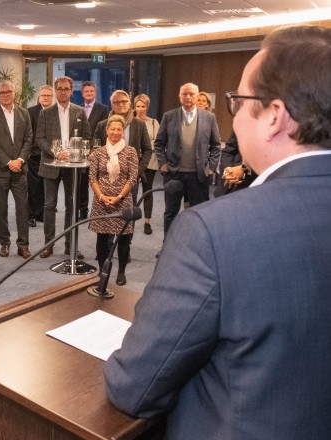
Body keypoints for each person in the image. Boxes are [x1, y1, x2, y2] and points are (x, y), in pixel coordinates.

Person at [105, 25, 331, 439]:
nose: (234, 113)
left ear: (274, 117)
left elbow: (134, 387)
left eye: (238, 101)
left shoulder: (214, 231)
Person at [154, 82, 221, 246]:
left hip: (199, 176)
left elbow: (216, 145)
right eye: (184, 94)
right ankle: (168, 246)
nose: (188, 97)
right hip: (174, 174)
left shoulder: (209, 117)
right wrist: (163, 164)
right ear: (179, 96)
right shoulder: (169, 116)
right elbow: (159, 143)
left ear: (198, 96)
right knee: (170, 213)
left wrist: (211, 168)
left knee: (198, 213)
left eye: (191, 94)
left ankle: (195, 246)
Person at [36, 76, 91, 258]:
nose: (63, 92)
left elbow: (87, 137)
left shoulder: (79, 112)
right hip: (51, 163)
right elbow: (40, 139)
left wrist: (75, 153)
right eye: (59, 89)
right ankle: (49, 245)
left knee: (71, 205)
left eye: (66, 89)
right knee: (49, 205)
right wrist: (55, 152)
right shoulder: (45, 113)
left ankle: (71, 245)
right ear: (55, 90)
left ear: (71, 91)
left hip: (73, 167)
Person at [0, 80, 32, 259]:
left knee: (22, 209)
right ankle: (4, 243)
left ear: (14, 93)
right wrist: (8, 162)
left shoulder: (24, 113)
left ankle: (23, 245)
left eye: (8, 91)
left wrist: (19, 160)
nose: (5, 94)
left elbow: (29, 139)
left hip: (20, 169)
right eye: (1, 92)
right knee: (1, 209)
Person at [88, 115, 138, 286]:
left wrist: (119, 197)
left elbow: (132, 179)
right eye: (112, 129)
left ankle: (121, 272)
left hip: (123, 201)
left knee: (124, 240)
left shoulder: (130, 152)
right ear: (106, 130)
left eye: (119, 129)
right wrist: (102, 196)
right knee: (102, 240)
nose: (115, 132)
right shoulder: (98, 153)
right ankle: (103, 270)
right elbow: (92, 179)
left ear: (123, 132)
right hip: (101, 202)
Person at [80, 81, 109, 219]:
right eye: (87, 91)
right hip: (81, 152)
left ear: (95, 93)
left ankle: (100, 210)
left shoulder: (103, 109)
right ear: (82, 93)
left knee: (98, 182)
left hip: (97, 151)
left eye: (91, 91)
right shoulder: (78, 109)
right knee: (82, 183)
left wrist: (94, 149)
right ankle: (83, 210)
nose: (89, 93)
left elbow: (103, 131)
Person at [27, 85, 53, 227]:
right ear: (39, 97)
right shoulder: (30, 112)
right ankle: (30, 215)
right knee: (32, 187)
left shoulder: (55, 112)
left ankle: (41, 213)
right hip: (34, 156)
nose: (46, 98)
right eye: (43, 95)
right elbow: (28, 134)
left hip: (50, 155)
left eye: (49, 96)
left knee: (46, 186)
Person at [133, 94, 160, 235]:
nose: (140, 109)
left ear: (147, 107)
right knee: (131, 192)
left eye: (143, 106)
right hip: (132, 161)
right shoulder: (130, 122)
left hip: (149, 162)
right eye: (138, 106)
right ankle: (128, 219)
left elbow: (158, 142)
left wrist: (144, 148)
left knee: (147, 191)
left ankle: (147, 222)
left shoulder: (154, 123)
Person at [214, 130, 256, 196]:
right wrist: (229, 170)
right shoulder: (243, 123)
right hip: (227, 188)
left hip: (252, 191)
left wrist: (244, 170)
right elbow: (228, 151)